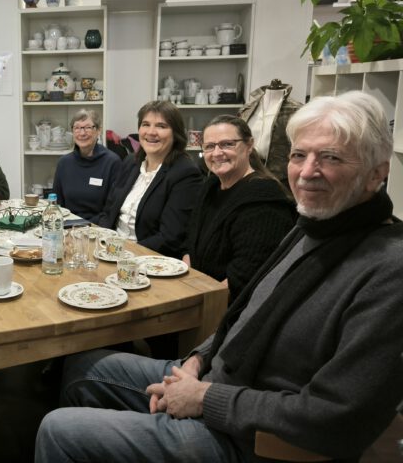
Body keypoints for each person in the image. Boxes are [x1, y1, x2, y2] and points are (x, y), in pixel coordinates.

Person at [35, 91, 403, 463]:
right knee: (82, 366)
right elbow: (246, 315)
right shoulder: (312, 229)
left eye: (331, 157)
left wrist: (204, 397)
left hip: (246, 435)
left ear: (378, 172)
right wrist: (197, 359)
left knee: (58, 429)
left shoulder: (388, 269)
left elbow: (338, 419)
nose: (307, 172)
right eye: (298, 155)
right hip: (218, 376)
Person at [183, 115, 295, 303]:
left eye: (227, 144)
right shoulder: (211, 186)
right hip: (198, 291)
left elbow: (244, 278)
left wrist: (201, 302)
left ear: (249, 145)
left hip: (227, 309)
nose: (217, 153)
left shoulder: (264, 199)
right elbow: (190, 242)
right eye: (209, 146)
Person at [94, 101, 202, 257]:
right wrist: (100, 239)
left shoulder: (185, 173)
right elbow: (109, 211)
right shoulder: (131, 162)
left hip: (146, 260)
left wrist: (122, 252)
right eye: (145, 124)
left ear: (176, 133)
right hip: (110, 250)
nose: (151, 132)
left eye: (161, 126)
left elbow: (170, 238)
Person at [51, 109, 121, 221]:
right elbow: (56, 204)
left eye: (88, 127)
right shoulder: (64, 163)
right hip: (67, 226)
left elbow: (112, 210)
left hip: (98, 229)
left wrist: (85, 227)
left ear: (98, 130)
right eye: (77, 128)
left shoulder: (112, 162)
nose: (82, 133)